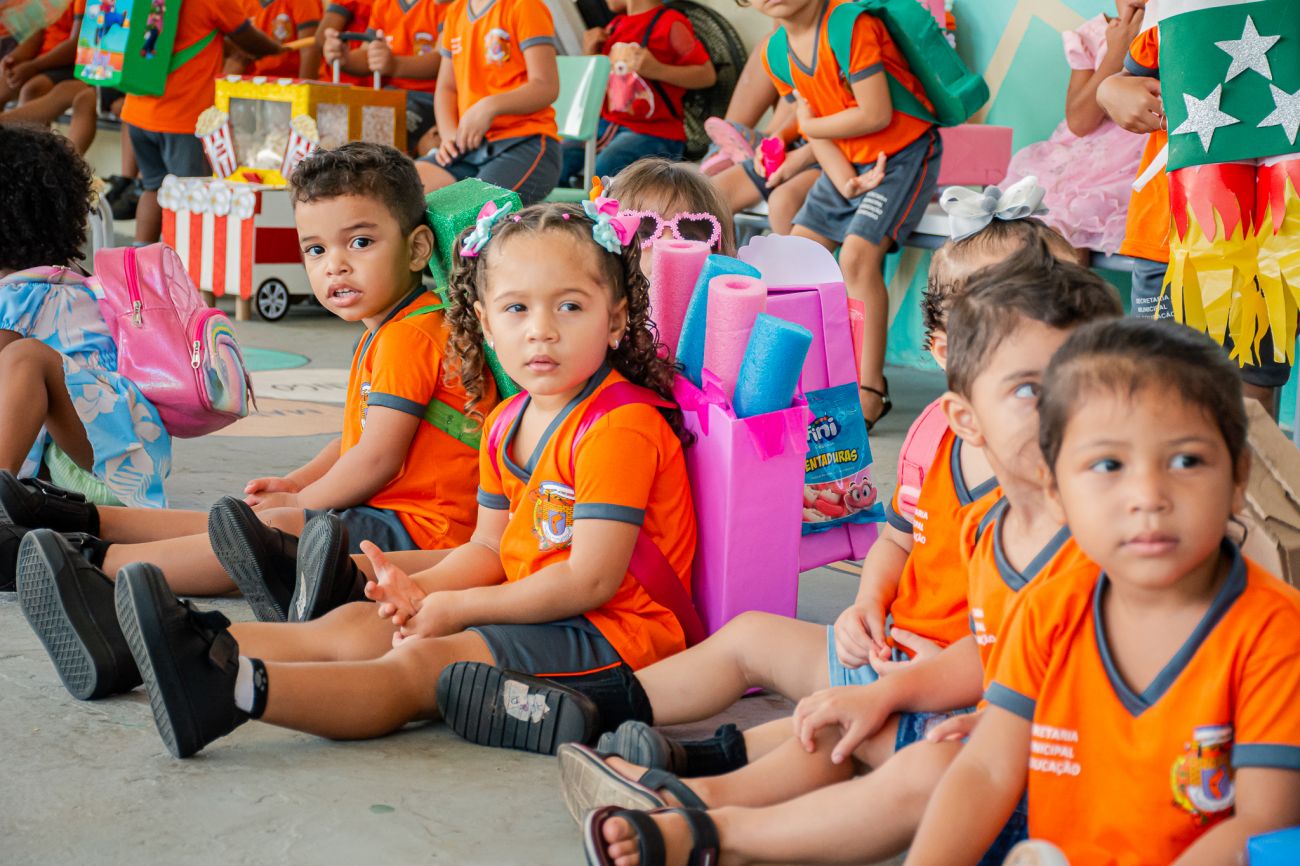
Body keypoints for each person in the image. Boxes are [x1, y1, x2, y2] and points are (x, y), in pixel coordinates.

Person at [19, 199, 698, 762]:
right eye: (517, 309)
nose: (541, 331)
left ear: (615, 319)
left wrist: (456, 607)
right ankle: (136, 647)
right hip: (538, 605)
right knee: (360, 621)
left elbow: (589, 581)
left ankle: (231, 692)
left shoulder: (619, 427)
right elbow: (489, 549)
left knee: (421, 663)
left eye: (570, 307)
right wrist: (423, 591)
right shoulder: (508, 420)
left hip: (617, 637)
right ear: (486, 323)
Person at [574, 246, 1124, 866]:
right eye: (1029, 389)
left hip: (1044, 773)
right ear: (964, 416)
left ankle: (706, 818)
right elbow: (999, 657)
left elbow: (1006, 669)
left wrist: (917, 698)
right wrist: (872, 618)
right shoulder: (989, 524)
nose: (1061, 409)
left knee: (888, 745)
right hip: (947, 696)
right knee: (834, 709)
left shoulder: (1098, 539)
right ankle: (655, 767)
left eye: (1085, 384)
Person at [7, 143, 486, 639]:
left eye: (360, 242)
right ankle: (72, 518)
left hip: (422, 529)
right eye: (316, 250)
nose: (335, 266)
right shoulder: (389, 330)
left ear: (417, 248)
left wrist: (301, 503)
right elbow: (356, 440)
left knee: (266, 531)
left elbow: (376, 459)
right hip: (391, 513)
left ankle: (91, 563)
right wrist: (297, 484)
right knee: (245, 520)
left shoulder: (411, 336)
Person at [906, 318, 1300, 866]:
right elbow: (987, 769)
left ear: (1238, 480)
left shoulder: (1276, 633)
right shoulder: (1048, 609)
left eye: (1186, 460)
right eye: (1108, 464)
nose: (1148, 495)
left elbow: (1263, 823)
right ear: (1056, 489)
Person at [757, 0, 943, 429]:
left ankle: (870, 389)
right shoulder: (776, 52)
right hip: (844, 159)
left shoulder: (849, 25)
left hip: (899, 154)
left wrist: (808, 127)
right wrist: (843, 182)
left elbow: (875, 113)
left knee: (857, 257)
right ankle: (807, 381)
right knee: (795, 260)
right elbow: (819, 128)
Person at [0, 124, 170, 527]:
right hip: (125, 456)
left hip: (98, 467)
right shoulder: (74, 281)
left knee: (24, 360)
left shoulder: (19, 294)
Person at [122, 0, 283, 244]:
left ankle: (139, 259)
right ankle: (188, 263)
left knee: (152, 188)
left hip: (138, 111)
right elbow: (246, 37)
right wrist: (276, 48)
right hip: (184, 118)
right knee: (193, 197)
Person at [1001, 0, 1147, 259]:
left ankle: (1066, 283)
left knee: (1085, 208)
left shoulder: (1175, 33)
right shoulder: (1094, 36)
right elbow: (1080, 122)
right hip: (1085, 161)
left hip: (1137, 163)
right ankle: (1038, 283)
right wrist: (1116, 54)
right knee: (1045, 221)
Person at [414, 0, 561, 204]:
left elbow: (546, 85)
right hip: (467, 148)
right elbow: (447, 87)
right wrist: (448, 136)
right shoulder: (455, 12)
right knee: (399, 193)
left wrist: (490, 106)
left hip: (525, 143)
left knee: (469, 213)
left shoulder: (524, 6)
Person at [560, 0, 715, 183]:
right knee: (559, 156)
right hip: (608, 126)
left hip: (656, 133)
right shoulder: (615, 26)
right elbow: (592, 88)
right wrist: (589, 54)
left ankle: (596, 203)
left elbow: (707, 75)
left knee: (608, 165)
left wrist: (657, 69)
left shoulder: (670, 23)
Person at [321, 0, 443, 157]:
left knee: (386, 134)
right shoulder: (383, 4)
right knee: (348, 129)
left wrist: (395, 65)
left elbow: (443, 59)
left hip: (430, 97)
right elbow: (368, 54)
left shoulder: (442, 4)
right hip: (388, 95)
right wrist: (345, 58)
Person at [227, 0, 322, 79]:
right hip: (251, 84)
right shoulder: (239, 3)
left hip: (289, 83)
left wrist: (303, 91)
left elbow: (310, 49)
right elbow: (234, 55)